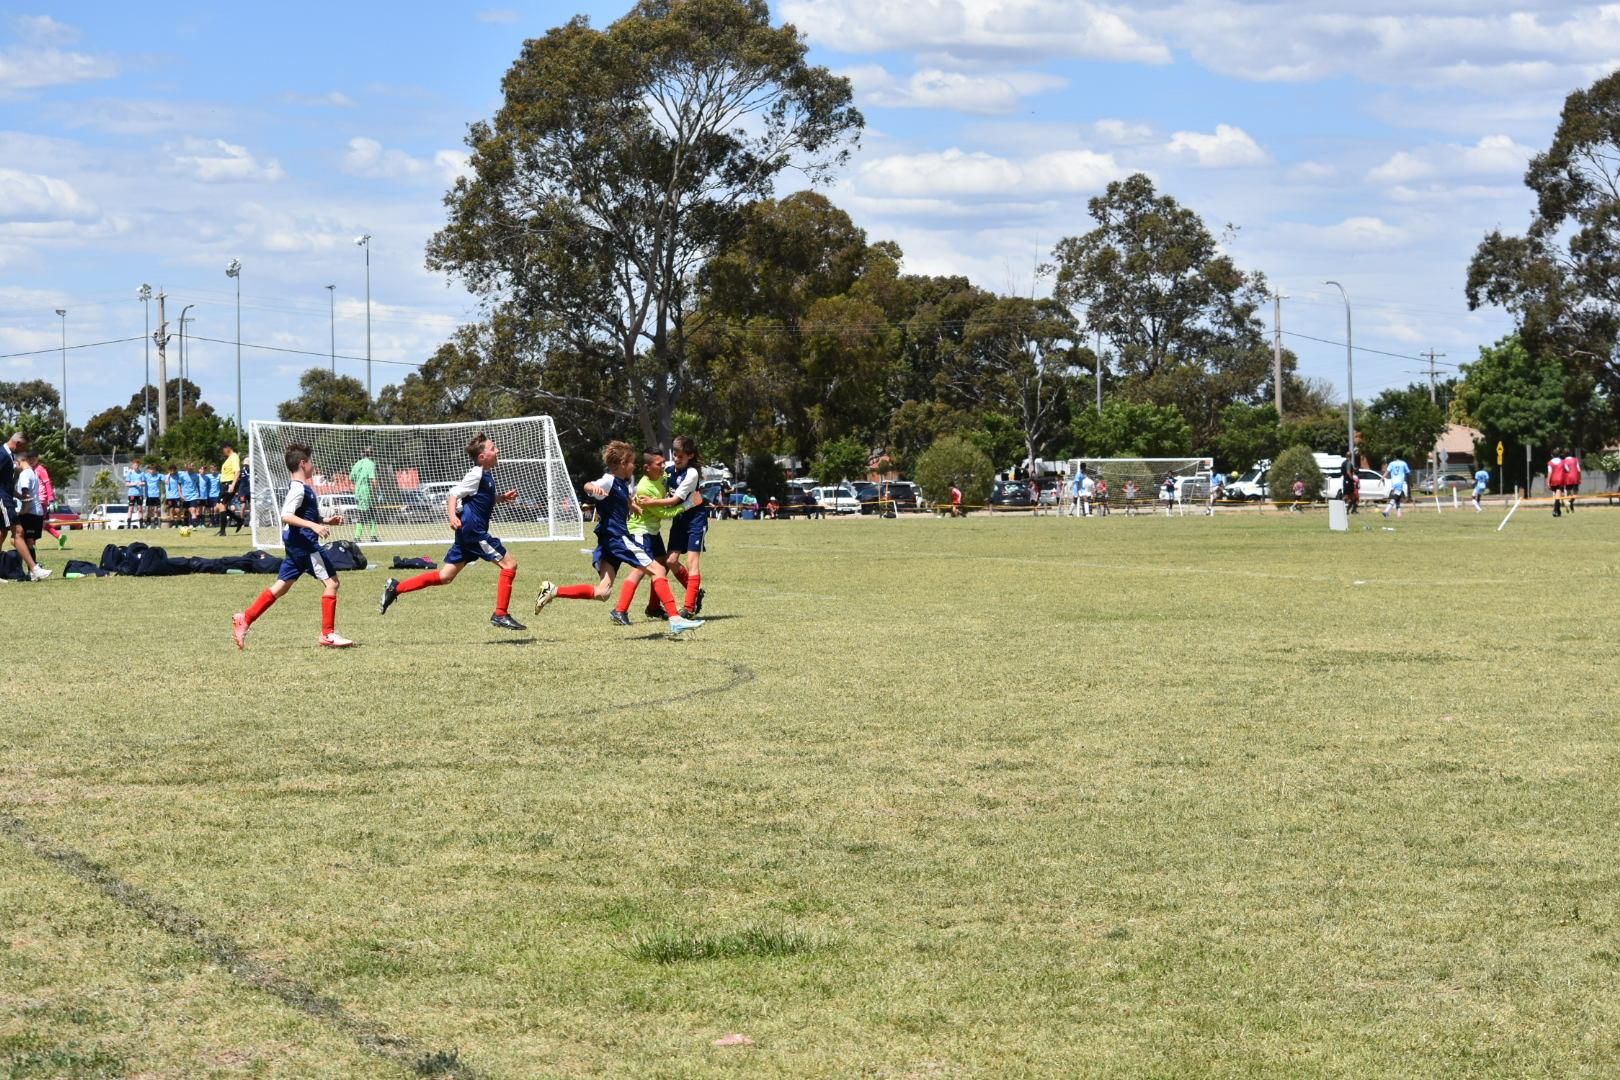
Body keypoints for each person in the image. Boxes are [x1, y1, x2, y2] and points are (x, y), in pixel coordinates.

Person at [531, 440, 703, 634]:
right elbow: (589, 484)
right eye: (632, 462)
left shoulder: (622, 483)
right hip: (616, 537)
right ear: (623, 463)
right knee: (658, 570)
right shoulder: (609, 480)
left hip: (607, 541)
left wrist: (632, 505)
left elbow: (624, 497)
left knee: (603, 592)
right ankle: (676, 619)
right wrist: (591, 488)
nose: (635, 466)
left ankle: (553, 590)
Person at [379, 432, 527, 631]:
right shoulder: (476, 473)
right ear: (482, 457)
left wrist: (501, 498)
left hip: (468, 534)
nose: (497, 450)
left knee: (444, 577)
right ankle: (501, 613)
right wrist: (452, 516)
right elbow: (453, 493)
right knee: (510, 565)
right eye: (493, 448)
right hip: (474, 533)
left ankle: (396, 588)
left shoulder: (486, 475)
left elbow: (479, 499)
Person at [232, 443, 353, 649]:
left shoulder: (302, 488)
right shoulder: (298, 488)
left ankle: (246, 618)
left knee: (281, 586)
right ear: (303, 463)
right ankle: (328, 634)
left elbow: (304, 514)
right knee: (332, 583)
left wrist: (325, 520)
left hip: (297, 544)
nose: (314, 465)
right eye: (311, 461)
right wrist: (313, 525)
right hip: (306, 544)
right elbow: (286, 515)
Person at [9, 441, 49, 579]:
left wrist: (22, 511)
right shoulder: (33, 472)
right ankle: (33, 570)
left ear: (20, 461)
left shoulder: (25, 474)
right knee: (29, 542)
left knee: (16, 540)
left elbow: (26, 496)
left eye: (15, 463)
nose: (15, 466)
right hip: (37, 513)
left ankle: (33, 568)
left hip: (29, 512)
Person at [31, 452, 65, 548]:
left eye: (33, 458)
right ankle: (60, 537)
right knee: (41, 523)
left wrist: (51, 499)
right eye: (30, 458)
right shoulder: (30, 470)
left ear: (37, 459)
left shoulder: (41, 470)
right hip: (35, 500)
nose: (31, 460)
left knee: (35, 522)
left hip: (41, 500)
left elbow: (48, 484)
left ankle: (32, 544)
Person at [349, 446, 381, 542]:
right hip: (367, 493)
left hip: (359, 492)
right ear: (373, 454)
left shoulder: (357, 463)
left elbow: (351, 478)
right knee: (363, 514)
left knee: (372, 513)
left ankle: (373, 536)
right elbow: (373, 479)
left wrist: (358, 486)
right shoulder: (371, 464)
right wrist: (378, 490)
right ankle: (357, 537)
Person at [216, 442, 245, 535]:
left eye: (222, 449)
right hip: (224, 484)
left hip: (229, 483)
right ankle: (239, 520)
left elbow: (237, 472)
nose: (222, 452)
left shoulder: (234, 456)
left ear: (227, 448)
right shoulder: (229, 458)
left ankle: (222, 531)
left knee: (222, 506)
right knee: (220, 506)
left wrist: (232, 485)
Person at [1382, 454, 1411, 518]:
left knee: (1397, 498)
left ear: (1395, 456)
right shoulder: (1403, 463)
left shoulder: (1391, 463)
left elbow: (1387, 471)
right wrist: (1410, 482)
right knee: (1395, 498)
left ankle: (1399, 514)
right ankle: (1386, 510)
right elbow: (1409, 473)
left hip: (1393, 483)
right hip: (1400, 483)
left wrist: (1382, 477)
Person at [124, 458, 144, 528]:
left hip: (140, 494)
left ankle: (141, 525)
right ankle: (129, 525)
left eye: (138, 465)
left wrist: (141, 483)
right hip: (132, 494)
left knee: (140, 509)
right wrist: (135, 484)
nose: (137, 466)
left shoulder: (142, 473)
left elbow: (144, 483)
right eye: (135, 465)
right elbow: (127, 484)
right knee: (131, 509)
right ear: (133, 465)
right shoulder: (130, 473)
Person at [142, 462, 162, 528]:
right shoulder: (145, 475)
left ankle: (156, 525)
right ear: (148, 470)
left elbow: (167, 477)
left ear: (156, 470)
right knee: (150, 510)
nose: (152, 470)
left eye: (153, 469)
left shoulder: (159, 475)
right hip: (149, 496)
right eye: (150, 469)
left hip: (156, 495)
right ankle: (148, 524)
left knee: (156, 510)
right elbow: (140, 478)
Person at [1547, 451, 1566, 516]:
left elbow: (1549, 473)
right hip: (1560, 480)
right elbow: (1567, 470)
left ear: (1552, 455)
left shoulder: (1550, 463)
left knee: (1557, 495)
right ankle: (1555, 511)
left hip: (1553, 480)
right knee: (1558, 496)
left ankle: (1558, 511)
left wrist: (1548, 482)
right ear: (1559, 455)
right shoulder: (1563, 462)